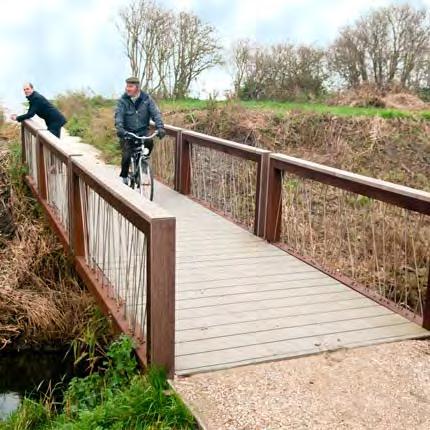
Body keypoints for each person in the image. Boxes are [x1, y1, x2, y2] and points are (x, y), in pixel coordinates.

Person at [115, 77, 166, 184]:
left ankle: (143, 161)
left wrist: (160, 127)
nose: (127, 89)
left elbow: (156, 114)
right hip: (127, 133)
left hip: (143, 132)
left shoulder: (147, 99)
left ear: (137, 88)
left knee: (149, 142)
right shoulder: (122, 101)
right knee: (126, 155)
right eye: (127, 86)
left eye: (130, 86)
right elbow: (118, 116)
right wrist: (120, 128)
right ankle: (124, 176)